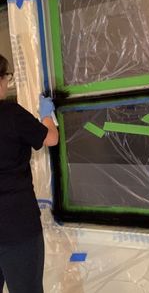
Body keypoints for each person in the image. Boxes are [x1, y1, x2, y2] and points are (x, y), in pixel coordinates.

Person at [0, 54, 58, 293]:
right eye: (7, 78)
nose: (7, 84)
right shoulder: (11, 114)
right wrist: (46, 116)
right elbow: (51, 138)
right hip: (17, 227)